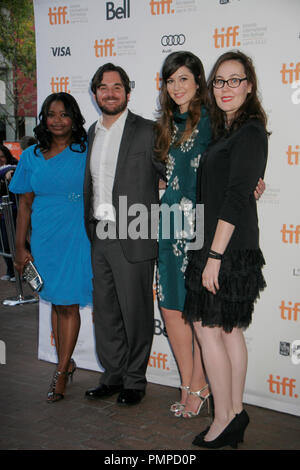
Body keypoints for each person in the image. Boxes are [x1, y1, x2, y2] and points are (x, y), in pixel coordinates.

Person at [183, 50, 269, 448]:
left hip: (225, 248)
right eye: (219, 80)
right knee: (229, 331)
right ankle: (234, 411)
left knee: (210, 329)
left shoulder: (249, 131)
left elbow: (235, 198)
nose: (226, 88)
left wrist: (214, 257)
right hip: (219, 242)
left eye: (235, 80)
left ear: (249, 86)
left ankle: (224, 418)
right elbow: (233, 186)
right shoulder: (228, 131)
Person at [84, 63, 165, 406]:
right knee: (106, 311)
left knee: (135, 312)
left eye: (117, 87)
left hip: (134, 232)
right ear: (95, 93)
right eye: (103, 87)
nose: (110, 93)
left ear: (128, 93)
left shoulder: (148, 130)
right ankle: (113, 375)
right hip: (99, 233)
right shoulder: (92, 133)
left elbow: (173, 173)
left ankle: (135, 380)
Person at [9, 92, 92, 403]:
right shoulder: (30, 155)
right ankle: (65, 361)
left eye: (64, 114)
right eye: (51, 114)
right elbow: (25, 204)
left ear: (74, 118)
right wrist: (20, 246)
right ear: (43, 118)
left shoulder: (85, 150)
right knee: (56, 302)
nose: (57, 120)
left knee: (68, 303)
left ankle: (60, 372)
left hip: (77, 236)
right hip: (45, 238)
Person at [155, 51, 213, 417]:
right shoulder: (165, 125)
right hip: (168, 222)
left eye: (183, 79)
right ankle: (188, 383)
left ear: (197, 82)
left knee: (199, 313)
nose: (176, 87)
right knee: (171, 307)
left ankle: (200, 387)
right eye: (170, 80)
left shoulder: (212, 122)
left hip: (199, 225)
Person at [0, 144, 18, 281]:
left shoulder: (12, 166)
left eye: (2, 156)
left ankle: (22, 272)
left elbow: (10, 169)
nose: (1, 159)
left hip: (12, 211)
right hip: (2, 213)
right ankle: (11, 271)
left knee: (13, 241)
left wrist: (9, 172)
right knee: (3, 244)